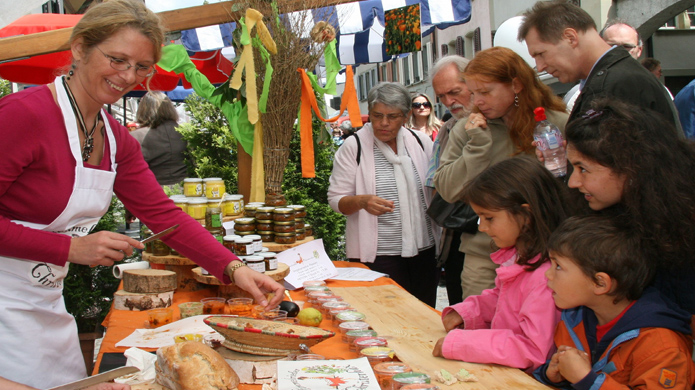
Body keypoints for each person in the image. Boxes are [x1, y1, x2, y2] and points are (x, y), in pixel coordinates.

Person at [0, 1, 283, 388]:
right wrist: (71, 249)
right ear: (80, 49)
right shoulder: (22, 115)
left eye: (142, 67)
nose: (128, 76)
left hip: (43, 302)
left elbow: (165, 217)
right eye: (117, 59)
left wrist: (235, 269)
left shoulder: (115, 139)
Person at [434, 46, 568, 300]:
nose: (478, 101)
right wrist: (477, 147)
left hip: (546, 254)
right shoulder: (469, 128)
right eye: (473, 93)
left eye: (485, 92)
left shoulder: (554, 123)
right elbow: (448, 190)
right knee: (480, 330)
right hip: (484, 254)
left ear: (516, 85)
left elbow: (577, 186)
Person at [433, 158, 571, 372]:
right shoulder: (519, 256)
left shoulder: (548, 277)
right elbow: (501, 298)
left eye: (489, 218)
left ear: (525, 215)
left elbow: (533, 349)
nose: (483, 228)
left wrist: (461, 344)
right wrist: (467, 314)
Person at [564, 98, 695, 314]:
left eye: (583, 169)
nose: (573, 182)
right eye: (573, 168)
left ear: (630, 168)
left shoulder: (682, 235)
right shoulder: (621, 210)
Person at [536, 215, 695, 389]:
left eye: (558, 266)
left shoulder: (661, 346)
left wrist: (588, 381)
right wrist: (551, 375)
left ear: (600, 283)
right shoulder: (575, 319)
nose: (548, 275)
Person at [328, 82, 440, 307]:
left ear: (406, 115)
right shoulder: (354, 146)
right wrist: (361, 201)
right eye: (377, 115)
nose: (384, 123)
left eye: (392, 116)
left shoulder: (421, 142)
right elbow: (336, 200)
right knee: (384, 317)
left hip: (424, 251)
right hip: (379, 256)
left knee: (424, 314)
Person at [518, 0, 683, 136]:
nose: (540, 67)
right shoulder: (615, 76)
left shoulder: (618, 84)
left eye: (541, 54)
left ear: (570, 37)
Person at [427, 55, 472, 305]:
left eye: (454, 92)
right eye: (441, 96)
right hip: (456, 236)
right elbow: (437, 185)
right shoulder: (447, 129)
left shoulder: (500, 123)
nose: (448, 101)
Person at [564, 19, 643, 111]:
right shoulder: (577, 96)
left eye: (627, 47)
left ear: (639, 50)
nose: (619, 52)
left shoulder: (656, 90)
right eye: (611, 46)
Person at [138, 92, 189, 186]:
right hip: (185, 188)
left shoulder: (137, 136)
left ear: (143, 109)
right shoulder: (184, 132)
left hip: (151, 189)